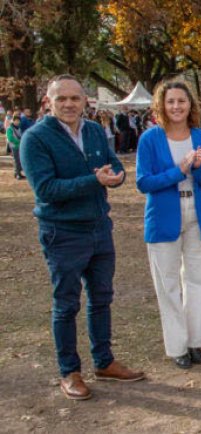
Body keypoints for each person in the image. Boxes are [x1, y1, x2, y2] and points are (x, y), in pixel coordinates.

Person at [20, 75, 145, 401]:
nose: (69, 104)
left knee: (102, 297)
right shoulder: (35, 139)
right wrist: (94, 181)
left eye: (75, 98)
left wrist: (116, 178)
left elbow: (113, 165)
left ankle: (103, 361)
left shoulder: (92, 131)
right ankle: (69, 370)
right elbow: (46, 190)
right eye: (61, 98)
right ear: (49, 102)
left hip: (99, 228)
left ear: (85, 101)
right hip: (62, 232)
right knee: (66, 303)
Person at [136, 81, 201, 369]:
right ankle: (177, 346)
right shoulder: (150, 139)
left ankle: (197, 341)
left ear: (190, 105)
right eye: (171, 102)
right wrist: (179, 170)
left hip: (196, 214)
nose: (176, 107)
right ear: (162, 105)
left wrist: (198, 167)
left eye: (181, 101)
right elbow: (144, 182)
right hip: (163, 216)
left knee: (199, 281)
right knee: (168, 285)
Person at [7, 111, 25, 179]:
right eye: (16, 121)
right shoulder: (10, 129)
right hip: (14, 147)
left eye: (18, 121)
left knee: (20, 160)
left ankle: (18, 173)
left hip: (19, 147)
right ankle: (17, 174)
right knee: (16, 160)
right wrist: (19, 142)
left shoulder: (18, 128)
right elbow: (10, 138)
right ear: (13, 121)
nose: (17, 122)